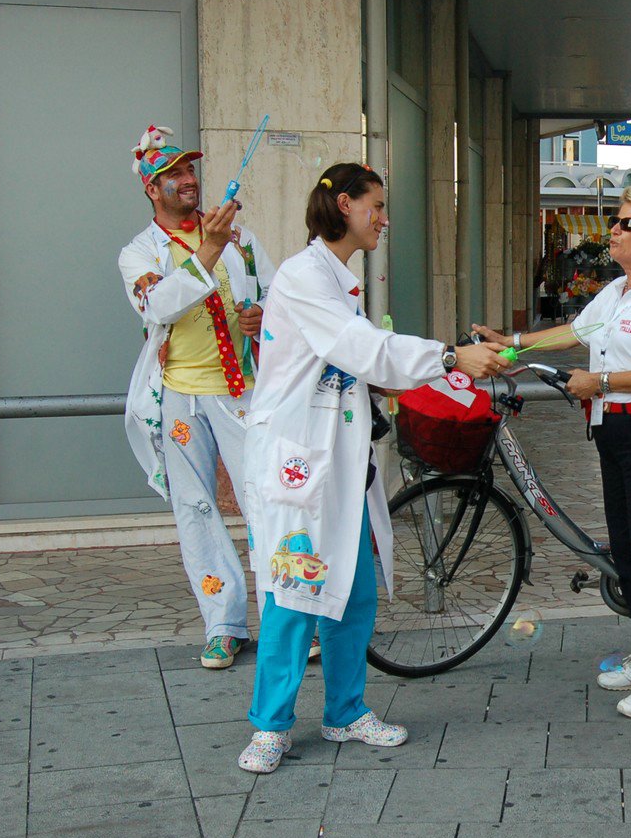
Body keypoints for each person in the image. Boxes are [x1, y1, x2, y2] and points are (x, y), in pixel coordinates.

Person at [237, 162, 507, 773]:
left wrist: (438, 372)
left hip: (340, 462)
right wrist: (448, 356)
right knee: (293, 592)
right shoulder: (305, 277)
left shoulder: (340, 282)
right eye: (376, 207)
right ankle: (270, 725)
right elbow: (362, 348)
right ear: (342, 207)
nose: (384, 220)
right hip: (300, 464)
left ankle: (345, 711)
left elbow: (358, 362)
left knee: (353, 593)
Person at [475, 187, 631, 719]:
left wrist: (597, 380)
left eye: (626, 224)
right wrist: (511, 344)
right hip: (616, 431)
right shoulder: (618, 292)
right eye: (616, 222)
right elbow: (574, 331)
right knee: (626, 548)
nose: (615, 231)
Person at [119, 124, 277, 670]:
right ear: (150, 188)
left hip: (244, 394)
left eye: (189, 169)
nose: (189, 180)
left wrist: (264, 316)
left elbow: (279, 296)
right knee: (195, 510)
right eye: (174, 174)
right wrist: (208, 248)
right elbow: (157, 306)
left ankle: (286, 621)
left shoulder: (244, 238)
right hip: (180, 399)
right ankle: (224, 624)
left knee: (265, 500)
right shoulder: (139, 253)